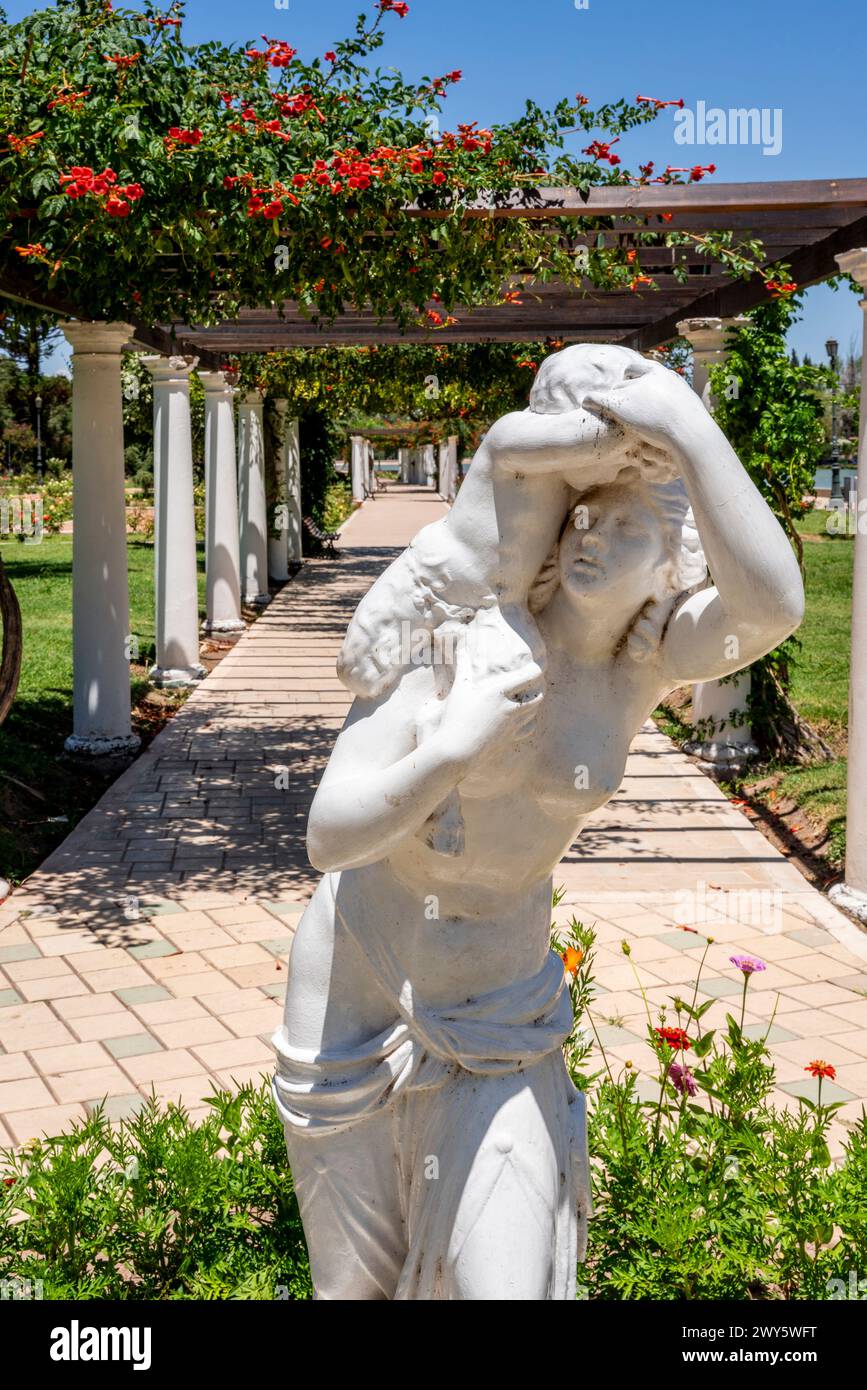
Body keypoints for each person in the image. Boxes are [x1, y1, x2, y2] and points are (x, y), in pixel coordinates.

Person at [272, 348, 804, 1300]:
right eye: (584, 513)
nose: (593, 532)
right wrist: (449, 747)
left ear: (672, 566)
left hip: (500, 1004)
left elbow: (772, 605)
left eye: (627, 523)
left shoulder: (641, 666)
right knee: (350, 1291)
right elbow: (329, 835)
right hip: (355, 984)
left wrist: (685, 422)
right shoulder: (464, 632)